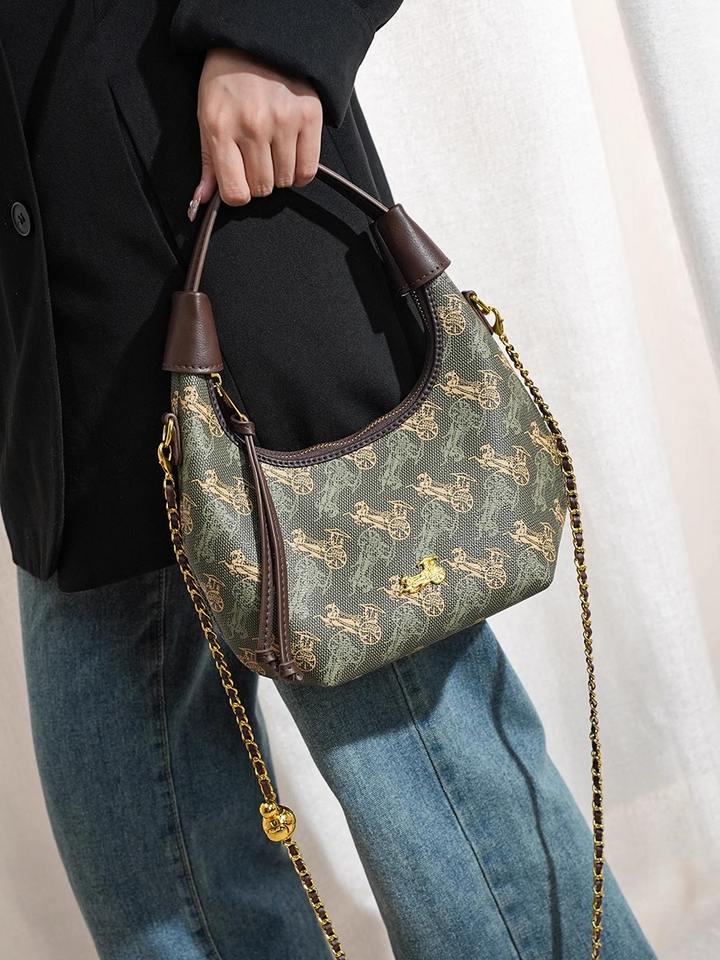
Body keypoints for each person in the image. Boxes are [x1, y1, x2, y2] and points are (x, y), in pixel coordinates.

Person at [1, 3, 658, 958]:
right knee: (150, 872)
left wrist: (276, 31)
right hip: (51, 332)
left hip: (238, 206)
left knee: (433, 790)